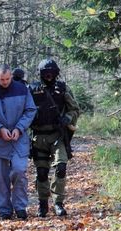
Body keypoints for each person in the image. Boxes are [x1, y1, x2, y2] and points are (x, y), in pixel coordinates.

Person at [0, 64, 36, 220]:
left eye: (7, 79)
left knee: (19, 171)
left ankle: (20, 207)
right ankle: (4, 209)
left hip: (19, 139)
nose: (4, 82)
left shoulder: (23, 90)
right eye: (1, 79)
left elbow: (30, 110)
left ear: (11, 76)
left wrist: (19, 128)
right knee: (1, 177)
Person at [29, 58, 81, 217]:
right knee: (42, 172)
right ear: (40, 73)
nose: (49, 76)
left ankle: (58, 203)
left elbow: (75, 109)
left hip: (58, 135)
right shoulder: (31, 89)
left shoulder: (63, 88)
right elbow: (22, 111)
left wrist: (68, 118)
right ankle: (43, 203)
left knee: (61, 168)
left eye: (52, 73)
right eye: (46, 73)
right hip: (38, 136)